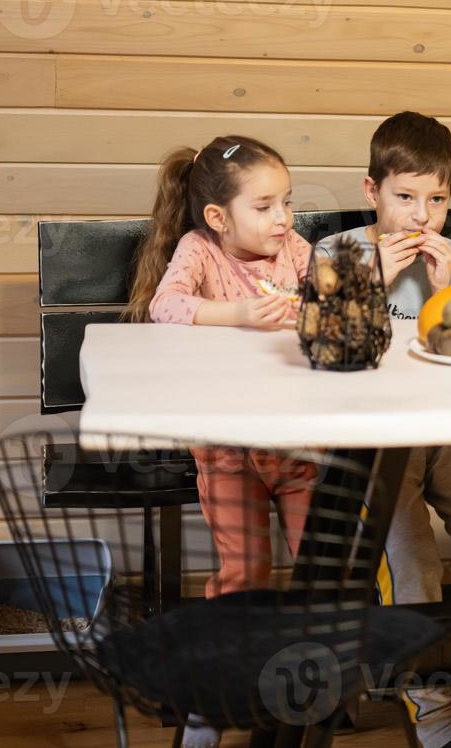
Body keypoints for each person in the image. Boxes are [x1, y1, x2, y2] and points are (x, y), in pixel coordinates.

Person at [318, 111, 451, 748]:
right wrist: (370, 276)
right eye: (405, 198)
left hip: (448, 428)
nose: (421, 216)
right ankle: (436, 717)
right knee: (411, 561)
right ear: (371, 192)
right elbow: (332, 350)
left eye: (436, 200)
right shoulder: (336, 253)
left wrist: (443, 291)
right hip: (375, 437)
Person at [129, 135, 317, 748]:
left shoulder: (294, 250)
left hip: (299, 447)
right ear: (218, 216)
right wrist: (234, 315)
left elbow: (337, 295)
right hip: (228, 449)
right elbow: (165, 307)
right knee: (243, 576)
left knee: (321, 568)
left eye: (286, 202)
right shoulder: (199, 251)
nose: (282, 218)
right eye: (264, 206)